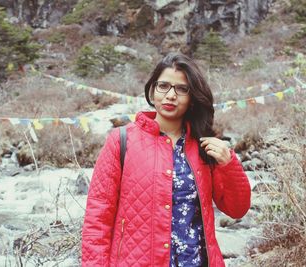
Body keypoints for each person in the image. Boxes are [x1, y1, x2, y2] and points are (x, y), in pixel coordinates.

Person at [81, 53, 251, 267]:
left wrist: (229, 165)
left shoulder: (204, 146)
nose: (170, 95)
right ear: (152, 90)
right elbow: (98, 217)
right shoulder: (121, 141)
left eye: (181, 89)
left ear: (192, 98)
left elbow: (237, 209)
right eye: (163, 86)